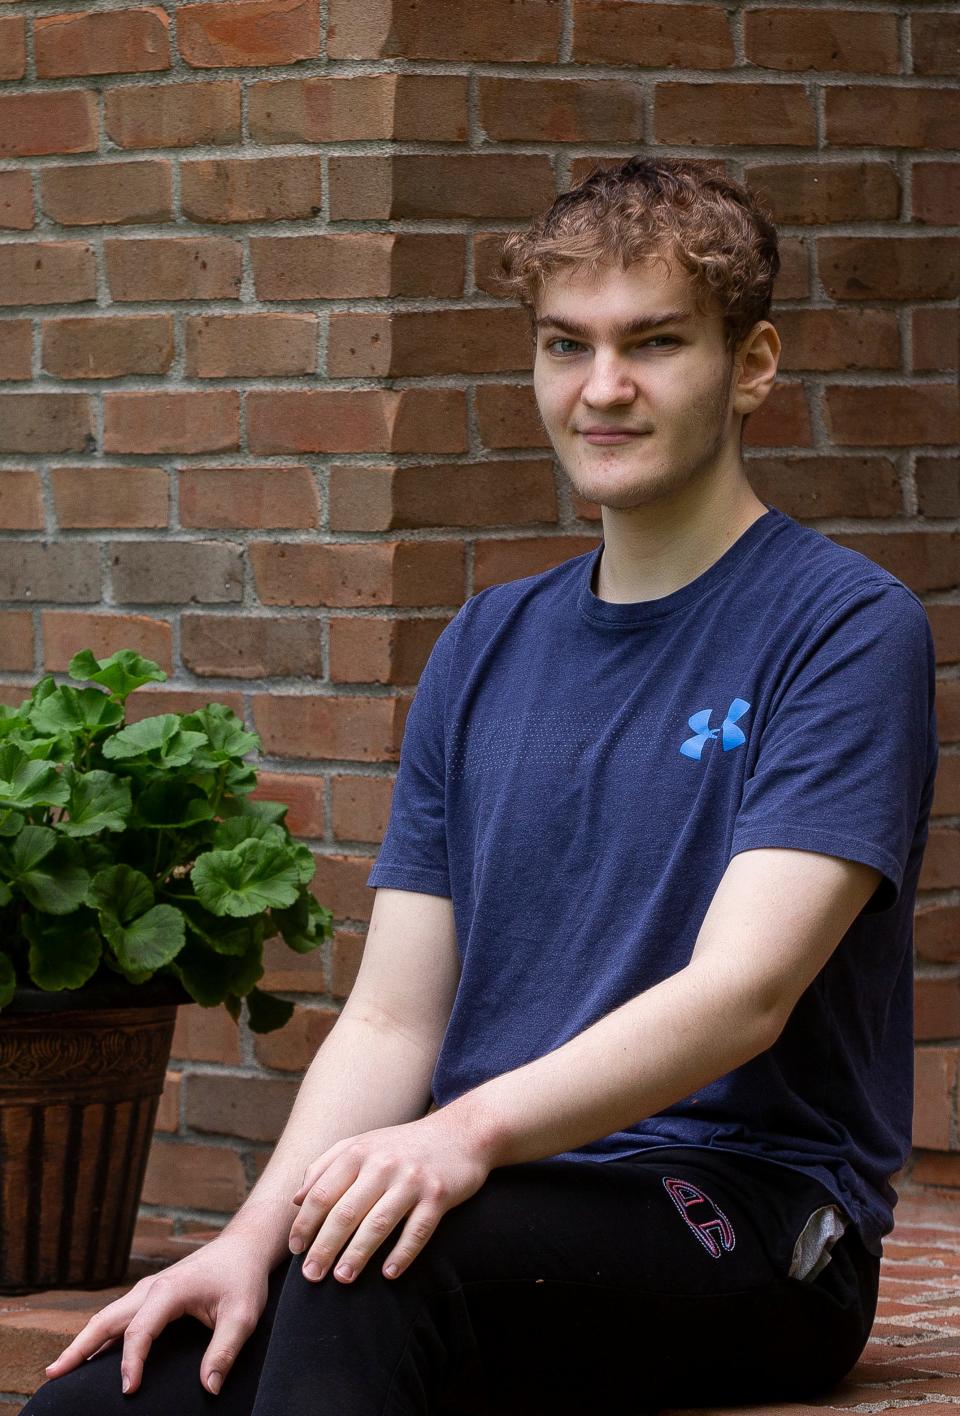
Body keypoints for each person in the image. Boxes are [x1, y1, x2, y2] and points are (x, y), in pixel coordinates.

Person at [25, 155, 938, 1415]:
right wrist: (246, 1236)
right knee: (106, 1396)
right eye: (566, 346)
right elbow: (397, 1020)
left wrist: (458, 1139)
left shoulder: (841, 627)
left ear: (754, 364)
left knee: (378, 1268)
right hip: (487, 1202)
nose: (601, 389)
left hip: (748, 1218)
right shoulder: (488, 643)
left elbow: (743, 995)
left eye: (655, 343)